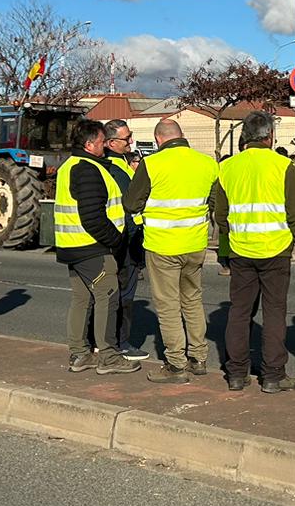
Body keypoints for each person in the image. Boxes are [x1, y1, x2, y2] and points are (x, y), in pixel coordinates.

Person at [213, 110, 295, 393]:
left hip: (242, 250)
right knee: (274, 312)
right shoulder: (282, 165)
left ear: (244, 136)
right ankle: (273, 375)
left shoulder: (228, 167)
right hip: (276, 250)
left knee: (240, 311)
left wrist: (229, 241)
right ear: (270, 136)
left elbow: (220, 213)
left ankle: (237, 373)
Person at [126, 117, 218, 383]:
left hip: (162, 245)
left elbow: (132, 203)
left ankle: (176, 364)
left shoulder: (152, 164)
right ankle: (199, 358)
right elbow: (214, 203)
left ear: (158, 139)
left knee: (167, 307)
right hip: (195, 245)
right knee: (192, 301)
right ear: (182, 135)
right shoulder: (207, 164)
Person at [55, 119, 139, 375]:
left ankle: (80, 354)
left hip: (73, 246)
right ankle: (108, 356)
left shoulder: (70, 165)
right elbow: (93, 216)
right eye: (102, 142)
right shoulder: (87, 169)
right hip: (93, 247)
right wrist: (115, 240)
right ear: (90, 144)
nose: (105, 146)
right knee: (108, 296)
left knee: (82, 300)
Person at [102, 119, 151, 362]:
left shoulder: (117, 164)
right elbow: (127, 208)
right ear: (111, 142)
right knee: (124, 295)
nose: (131, 141)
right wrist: (133, 241)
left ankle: (104, 341)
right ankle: (120, 343)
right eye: (126, 138)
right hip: (125, 241)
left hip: (122, 239)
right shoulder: (113, 168)